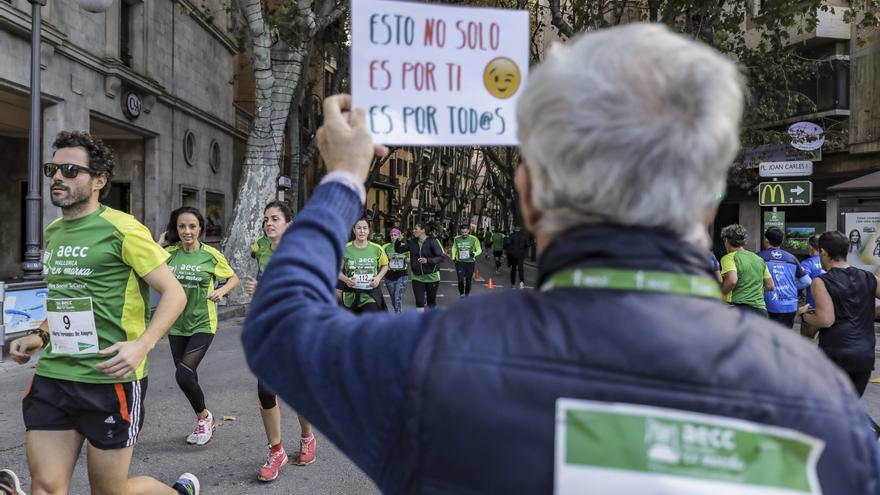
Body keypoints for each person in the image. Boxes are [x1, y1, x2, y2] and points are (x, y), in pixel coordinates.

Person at [242, 24, 880, 494]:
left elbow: (278, 327)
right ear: (710, 207)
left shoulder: (433, 360)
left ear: (527, 195)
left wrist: (344, 179)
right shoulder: (826, 411)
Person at [9, 131, 199, 495]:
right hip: (54, 376)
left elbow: (174, 294)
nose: (57, 177)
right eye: (53, 168)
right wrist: (40, 335)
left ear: (99, 181)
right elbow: (67, 298)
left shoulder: (123, 229)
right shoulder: (55, 232)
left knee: (111, 491)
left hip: (109, 380)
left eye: (69, 170)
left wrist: (142, 345)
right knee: (45, 487)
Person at [243, 201, 316, 481]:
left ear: (289, 223)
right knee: (265, 388)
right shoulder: (262, 250)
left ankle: (308, 437)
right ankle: (276, 451)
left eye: (275, 218)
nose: (268, 223)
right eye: (265, 220)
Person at [163, 206, 239, 445]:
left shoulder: (211, 254)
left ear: (200, 228)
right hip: (176, 323)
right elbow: (146, 261)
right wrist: (162, 240)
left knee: (183, 375)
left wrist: (221, 291)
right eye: (181, 226)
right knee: (189, 376)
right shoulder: (169, 253)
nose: (187, 231)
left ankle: (204, 418)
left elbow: (233, 278)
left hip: (203, 322)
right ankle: (206, 419)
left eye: (192, 226)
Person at [799, 231, 880, 397]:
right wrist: (870, 313)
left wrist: (804, 315)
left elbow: (825, 320)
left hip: (837, 354)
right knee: (851, 406)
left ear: (823, 252)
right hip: (864, 354)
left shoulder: (821, 281)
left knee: (831, 408)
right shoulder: (869, 277)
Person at [758, 226, 811, 328]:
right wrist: (791, 286)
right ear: (782, 241)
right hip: (790, 305)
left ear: (766, 240)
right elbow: (807, 281)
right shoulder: (791, 258)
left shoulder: (759, 257)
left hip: (769, 305)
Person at [719, 224, 775, 316]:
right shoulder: (758, 259)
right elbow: (770, 286)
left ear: (726, 240)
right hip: (761, 311)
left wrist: (719, 295)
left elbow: (732, 280)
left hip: (738, 310)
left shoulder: (728, 258)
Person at [339, 219, 389, 313]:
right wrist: (346, 280)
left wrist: (378, 278)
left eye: (365, 228)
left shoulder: (377, 249)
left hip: (370, 295)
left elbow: (385, 265)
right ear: (354, 230)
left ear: (369, 230)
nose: (362, 231)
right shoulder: (345, 249)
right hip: (351, 295)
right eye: (359, 228)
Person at [396, 223, 444, 311]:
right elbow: (399, 250)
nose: (413, 231)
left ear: (423, 230)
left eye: (416, 229)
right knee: (419, 301)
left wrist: (428, 260)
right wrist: (398, 241)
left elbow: (441, 257)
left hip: (432, 277)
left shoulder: (433, 241)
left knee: (431, 302)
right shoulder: (412, 242)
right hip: (417, 277)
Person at [382, 228, 409, 313]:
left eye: (395, 235)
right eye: (392, 235)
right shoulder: (385, 246)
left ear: (399, 236)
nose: (393, 237)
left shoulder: (405, 246)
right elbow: (380, 261)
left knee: (397, 297)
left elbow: (410, 259)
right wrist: (387, 257)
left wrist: (399, 257)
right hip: (389, 276)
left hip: (402, 275)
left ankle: (398, 318)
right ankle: (397, 313)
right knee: (394, 299)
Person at [451, 224, 482, 297]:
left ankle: (467, 295)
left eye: (465, 232)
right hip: (460, 262)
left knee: (468, 281)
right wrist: (453, 256)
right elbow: (454, 248)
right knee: (460, 280)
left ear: (468, 231)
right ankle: (462, 295)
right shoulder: (456, 238)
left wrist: (474, 254)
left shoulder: (474, 239)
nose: (464, 234)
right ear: (460, 231)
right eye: (462, 232)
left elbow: (479, 249)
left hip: (470, 263)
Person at [800, 235, 825, 307]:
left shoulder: (807, 263)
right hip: (829, 305)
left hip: (813, 305)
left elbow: (803, 282)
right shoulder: (829, 261)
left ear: (811, 247)